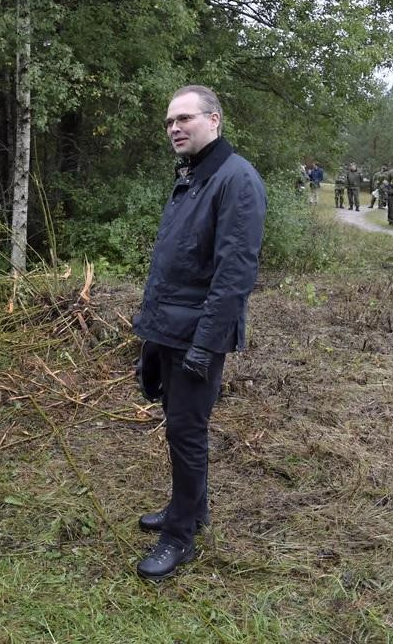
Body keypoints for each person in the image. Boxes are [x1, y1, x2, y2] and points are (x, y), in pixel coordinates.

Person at [132, 86, 266, 581]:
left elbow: (234, 276)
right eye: (169, 121)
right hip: (170, 327)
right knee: (177, 425)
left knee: (187, 433)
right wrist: (151, 331)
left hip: (197, 335)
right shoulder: (193, 175)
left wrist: (205, 346)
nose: (174, 128)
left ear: (214, 120)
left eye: (184, 118)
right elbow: (177, 263)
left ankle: (179, 537)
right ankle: (191, 508)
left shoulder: (236, 179)